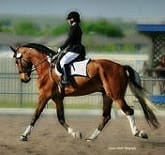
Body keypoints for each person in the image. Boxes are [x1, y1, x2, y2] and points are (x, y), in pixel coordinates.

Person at [57, 11, 86, 86]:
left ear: (72, 19)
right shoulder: (74, 27)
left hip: (75, 50)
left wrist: (61, 48)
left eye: (68, 19)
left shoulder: (74, 27)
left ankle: (66, 80)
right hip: (73, 49)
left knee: (63, 61)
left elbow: (69, 39)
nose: (68, 21)